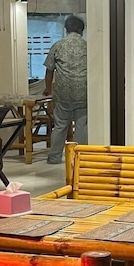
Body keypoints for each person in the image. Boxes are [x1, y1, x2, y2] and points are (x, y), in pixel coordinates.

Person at [44, 15, 88, 164]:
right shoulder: (87, 46)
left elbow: (49, 70)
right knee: (81, 126)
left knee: (60, 126)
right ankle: (80, 158)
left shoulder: (58, 45)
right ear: (81, 30)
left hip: (63, 93)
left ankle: (54, 157)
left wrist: (48, 89)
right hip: (83, 93)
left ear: (66, 29)